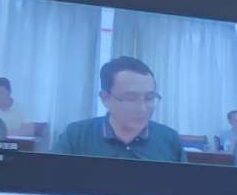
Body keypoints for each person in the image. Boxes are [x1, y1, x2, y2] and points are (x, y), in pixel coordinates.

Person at [52, 57, 183, 161]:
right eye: (131, 98)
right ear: (105, 98)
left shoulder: (169, 140)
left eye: (149, 98)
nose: (142, 109)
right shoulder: (75, 136)